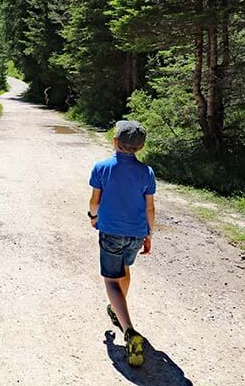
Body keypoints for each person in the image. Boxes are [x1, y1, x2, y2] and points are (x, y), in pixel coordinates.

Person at [87, 120, 156, 367]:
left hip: (111, 232)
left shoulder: (102, 168)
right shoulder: (146, 172)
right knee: (124, 270)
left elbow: (95, 201)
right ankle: (117, 309)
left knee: (110, 279)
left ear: (115, 142)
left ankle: (129, 331)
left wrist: (93, 217)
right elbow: (149, 207)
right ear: (141, 146)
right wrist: (149, 235)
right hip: (136, 234)